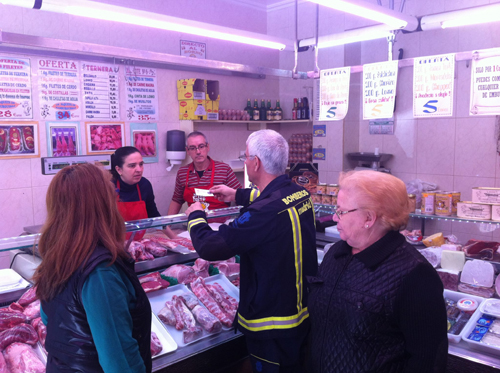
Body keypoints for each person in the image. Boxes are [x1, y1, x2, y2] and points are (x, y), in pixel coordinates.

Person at [185, 129, 317, 372]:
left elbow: (210, 246)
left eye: (246, 157)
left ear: (255, 163)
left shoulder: (262, 214)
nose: (245, 162)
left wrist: (195, 216)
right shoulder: (299, 193)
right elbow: (271, 196)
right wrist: (237, 194)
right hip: (300, 311)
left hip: (271, 325)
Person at [307, 170, 448, 373]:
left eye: (341, 210)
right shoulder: (336, 254)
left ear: (369, 218)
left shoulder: (415, 275)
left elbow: (428, 361)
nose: (334, 217)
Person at [33, 163, 152, 373]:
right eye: (113, 194)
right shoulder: (100, 272)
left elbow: (48, 318)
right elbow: (119, 365)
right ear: (102, 205)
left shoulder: (56, 255)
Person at [167, 131, 241, 215]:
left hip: (221, 225)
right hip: (195, 224)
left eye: (201, 146)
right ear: (187, 151)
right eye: (192, 148)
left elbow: (239, 196)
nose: (198, 152)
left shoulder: (224, 169)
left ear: (207, 147)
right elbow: (177, 200)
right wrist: (168, 225)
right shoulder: (182, 173)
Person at [111, 146, 161, 239]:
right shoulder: (108, 187)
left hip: (137, 243)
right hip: (113, 244)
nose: (139, 169)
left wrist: (174, 238)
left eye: (141, 164)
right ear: (119, 170)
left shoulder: (144, 185)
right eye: (132, 165)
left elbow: (154, 216)